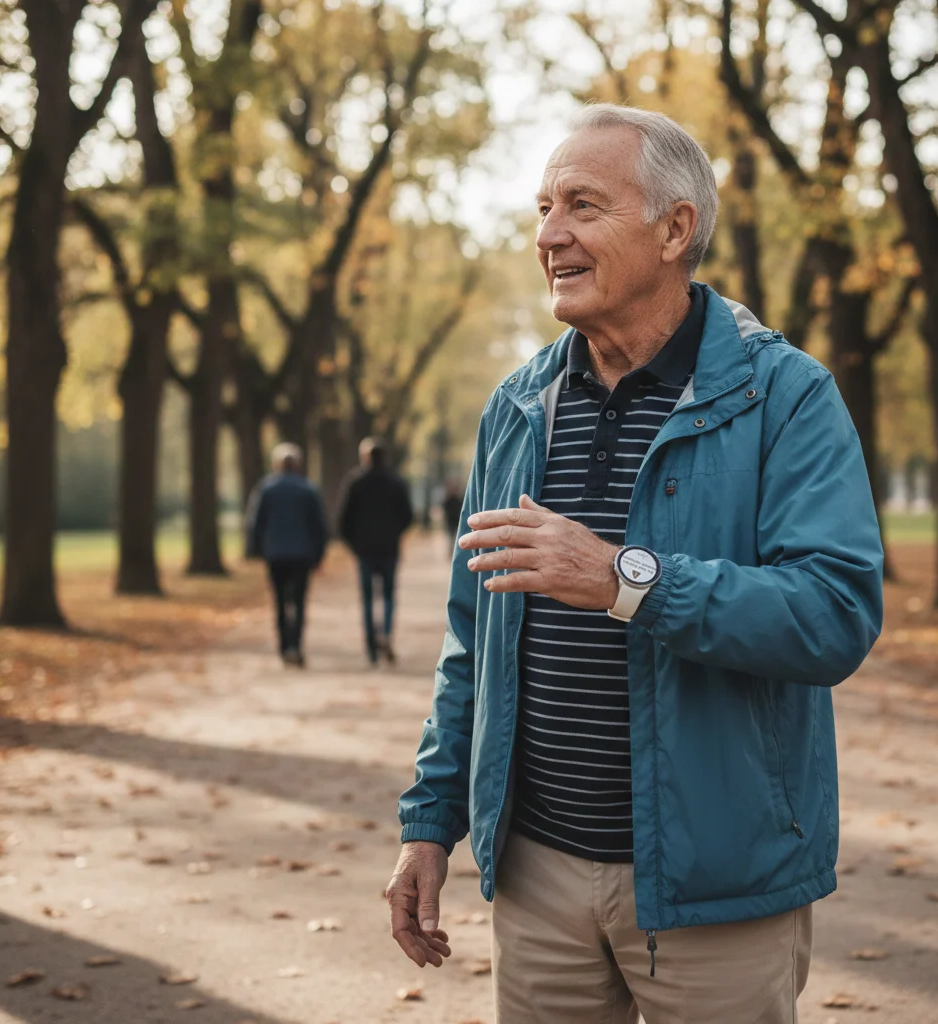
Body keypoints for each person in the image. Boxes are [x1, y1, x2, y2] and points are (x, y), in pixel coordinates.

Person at [386, 104, 884, 1024]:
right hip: (538, 879)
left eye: (582, 205)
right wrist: (429, 822)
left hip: (716, 891)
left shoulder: (788, 396)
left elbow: (833, 613)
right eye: (542, 208)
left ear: (675, 229)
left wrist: (625, 579)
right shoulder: (519, 404)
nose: (549, 235)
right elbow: (473, 640)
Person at [245, 443, 329, 667]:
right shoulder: (308, 489)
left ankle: (284, 647)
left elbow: (255, 522)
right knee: (299, 602)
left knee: (280, 601)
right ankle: (296, 645)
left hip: (275, 554)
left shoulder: (266, 488)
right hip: (302, 554)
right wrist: (320, 554)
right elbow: (319, 525)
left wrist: (255, 549)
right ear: (299, 465)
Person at [339, 438, 414, 664]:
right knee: (389, 595)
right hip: (389, 548)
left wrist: (353, 543)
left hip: (364, 550)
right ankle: (387, 634)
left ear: (365, 457)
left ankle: (371, 647)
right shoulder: (396, 482)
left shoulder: (355, 482)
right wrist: (395, 533)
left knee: (368, 598)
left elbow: (343, 518)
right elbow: (408, 515)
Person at [441, 480, 464, 549]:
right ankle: (451, 549)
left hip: (457, 520)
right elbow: (445, 509)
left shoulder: (459, 499)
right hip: (450, 521)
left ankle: (455, 549)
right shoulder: (448, 499)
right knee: (451, 537)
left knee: (456, 536)